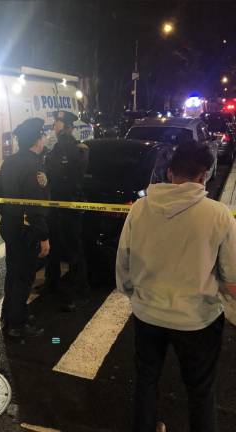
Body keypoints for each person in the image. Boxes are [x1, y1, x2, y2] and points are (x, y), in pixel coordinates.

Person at [116, 142, 236, 432]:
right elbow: (231, 276)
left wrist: (132, 293)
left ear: (170, 173)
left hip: (148, 314)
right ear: (203, 176)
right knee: (200, 390)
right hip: (198, 320)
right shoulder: (219, 215)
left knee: (146, 379)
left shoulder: (141, 208)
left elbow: (124, 259)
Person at [0, 117, 50, 341]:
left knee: (13, 274)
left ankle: (9, 316)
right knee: (24, 278)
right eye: (43, 135)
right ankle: (16, 325)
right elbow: (36, 206)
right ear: (37, 139)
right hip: (26, 230)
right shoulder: (34, 165)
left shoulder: (9, 162)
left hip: (10, 226)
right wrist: (44, 237)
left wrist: (10, 217)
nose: (45, 138)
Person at [44, 110, 90, 312]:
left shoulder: (77, 149)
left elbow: (72, 177)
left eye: (58, 123)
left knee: (73, 250)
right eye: (55, 122)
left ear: (67, 126)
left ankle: (79, 292)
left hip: (70, 205)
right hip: (55, 205)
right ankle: (51, 284)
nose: (54, 126)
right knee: (53, 247)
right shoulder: (55, 148)